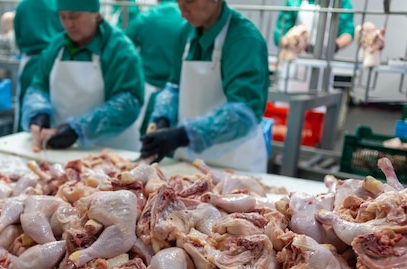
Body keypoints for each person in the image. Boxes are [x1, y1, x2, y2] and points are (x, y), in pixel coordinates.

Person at [139, 0, 270, 173]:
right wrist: (164, 118)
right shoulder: (185, 33)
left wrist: (185, 135)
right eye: (179, 1)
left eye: (190, 1)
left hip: (235, 165)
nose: (182, 10)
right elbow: (174, 87)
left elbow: (243, 114)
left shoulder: (244, 39)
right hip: (189, 161)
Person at [21, 0, 145, 152]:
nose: (68, 25)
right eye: (62, 16)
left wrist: (81, 128)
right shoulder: (57, 46)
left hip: (112, 152)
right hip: (60, 150)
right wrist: (38, 113)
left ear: (95, 13)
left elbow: (127, 104)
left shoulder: (119, 50)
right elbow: (39, 87)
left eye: (74, 16)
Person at [125, 0, 185, 135]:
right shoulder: (186, 20)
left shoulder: (147, 17)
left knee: (146, 139)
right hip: (180, 94)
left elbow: (125, 48)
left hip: (148, 91)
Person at [13, 0, 64, 132]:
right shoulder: (59, 5)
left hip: (30, 65)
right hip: (57, 62)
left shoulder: (23, 6)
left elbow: (18, 38)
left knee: (28, 117)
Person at [274, 0, 354, 55]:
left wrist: (333, 46)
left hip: (324, 62)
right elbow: (280, 34)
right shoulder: (293, 1)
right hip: (294, 60)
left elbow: (347, 31)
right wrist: (293, 43)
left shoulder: (341, 2)